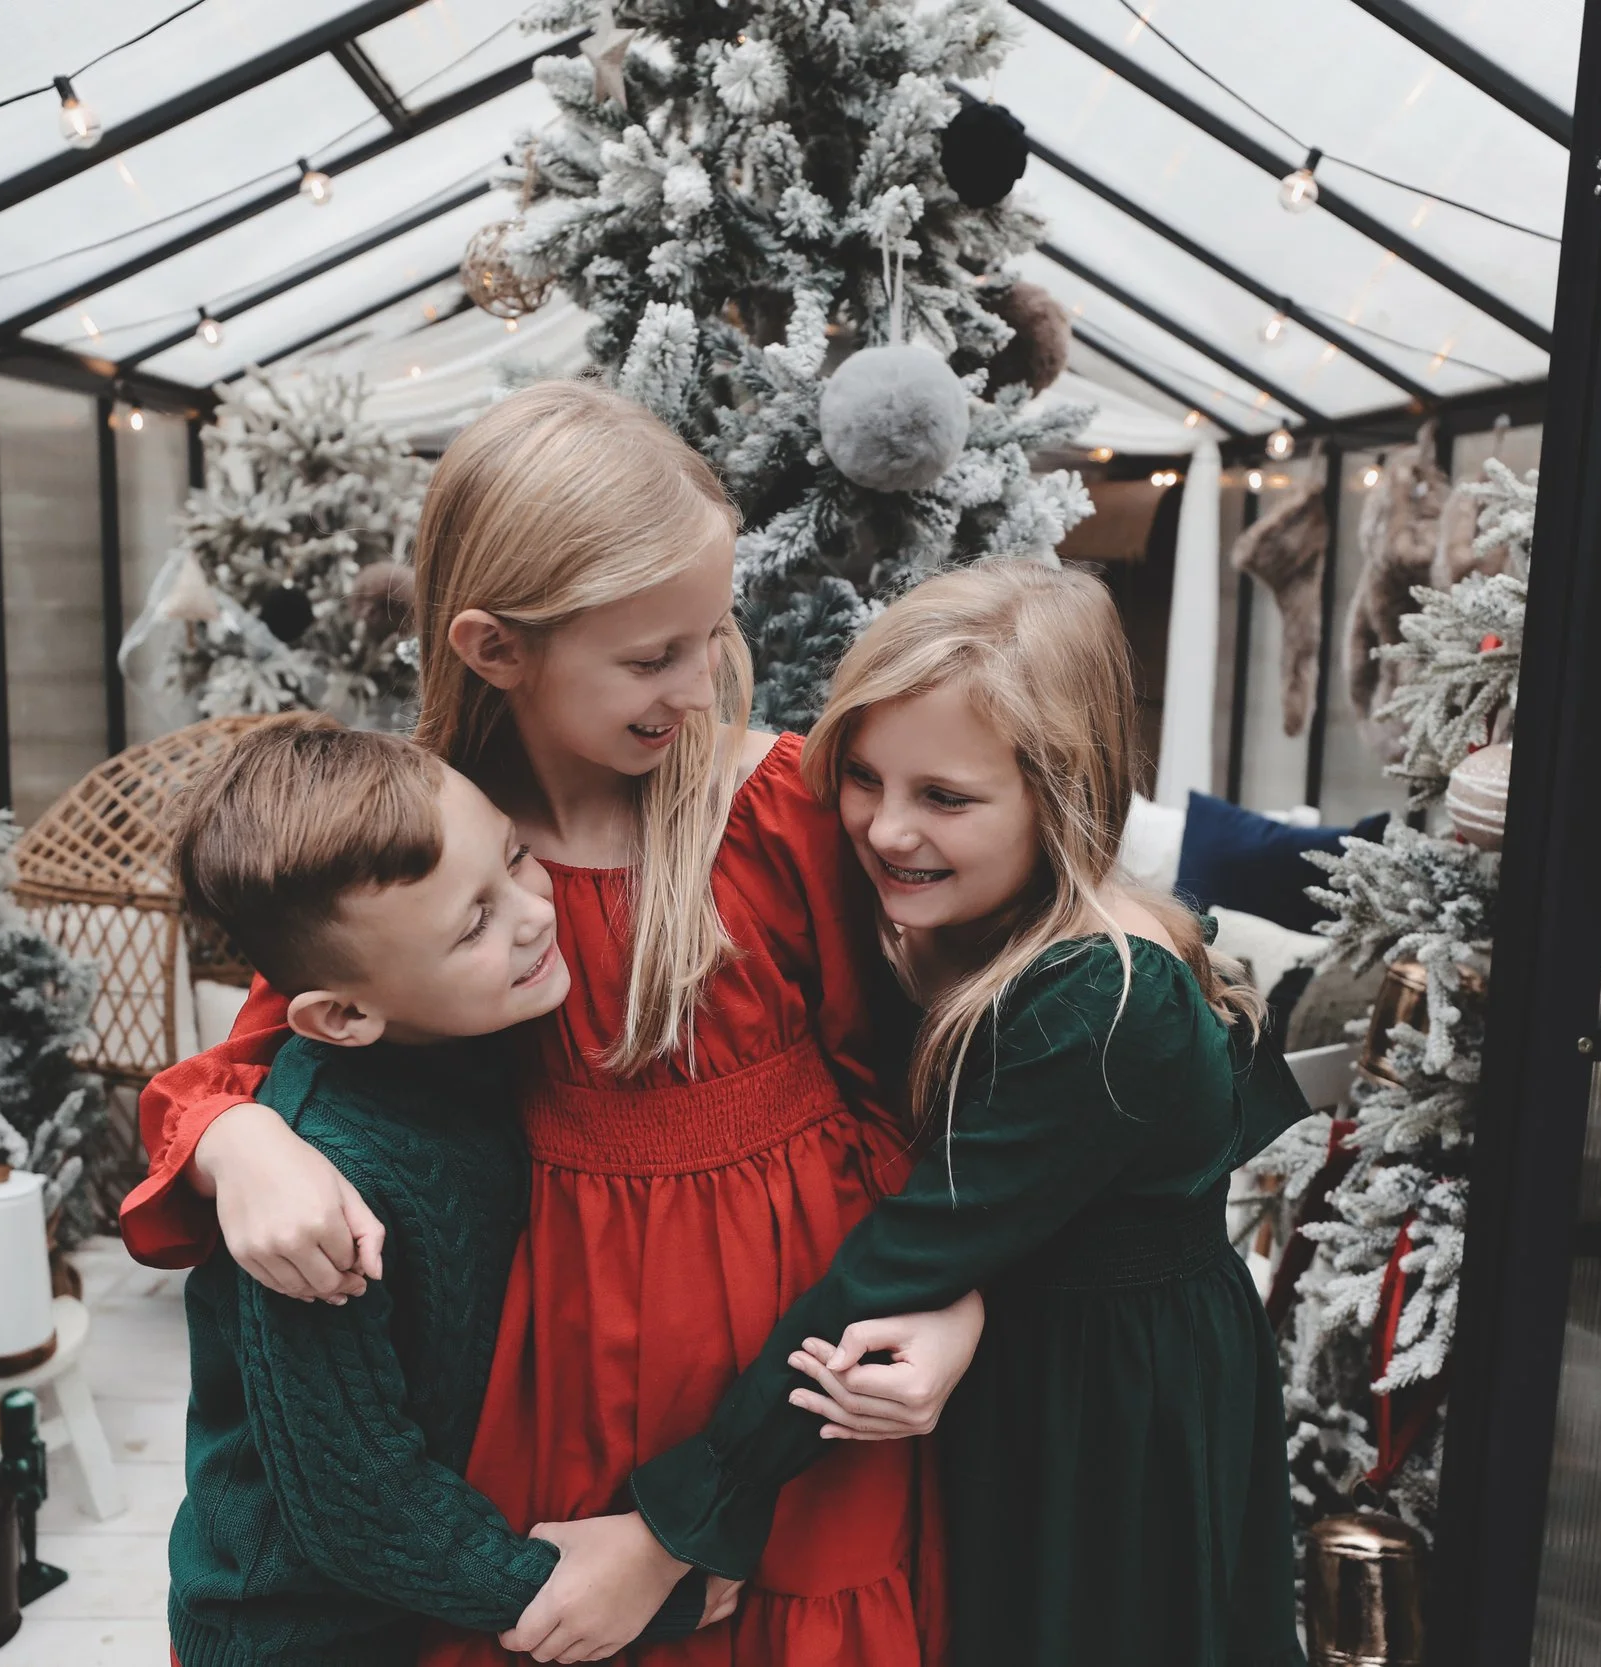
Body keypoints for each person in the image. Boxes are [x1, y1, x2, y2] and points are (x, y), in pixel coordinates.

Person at [120, 382, 974, 1665]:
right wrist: (240, 1143)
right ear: (494, 646)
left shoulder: (776, 805)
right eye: (648, 657)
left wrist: (952, 1303)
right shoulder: (419, 857)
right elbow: (257, 1060)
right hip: (552, 1387)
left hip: (796, 1385)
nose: (697, 685)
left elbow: (908, 1089)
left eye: (710, 635)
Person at [599, 562, 1313, 1667]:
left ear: (1062, 793)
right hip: (1047, 1351)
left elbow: (898, 1256)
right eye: (864, 777)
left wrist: (679, 1517)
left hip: (1102, 1404)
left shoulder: (1099, 998)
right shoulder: (964, 916)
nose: (885, 829)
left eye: (945, 797)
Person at [160, 716, 731, 1666]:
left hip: (413, 1610)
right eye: (474, 922)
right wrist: (623, 1596)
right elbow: (359, 1499)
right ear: (343, 1014)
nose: (533, 912)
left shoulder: (478, 1035)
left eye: (515, 857)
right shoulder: (328, 1194)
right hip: (292, 1635)